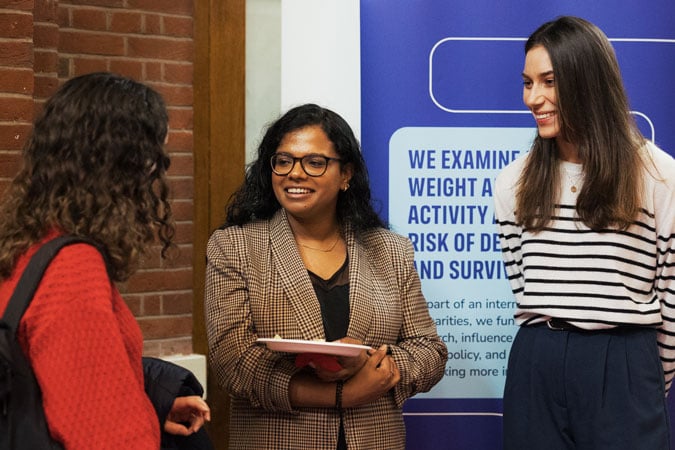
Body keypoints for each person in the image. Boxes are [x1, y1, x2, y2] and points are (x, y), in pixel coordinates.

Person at [204, 103, 447, 449]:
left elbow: (429, 352)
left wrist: (373, 365)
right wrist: (338, 394)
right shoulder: (235, 246)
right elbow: (232, 361)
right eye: (284, 160)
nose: (295, 173)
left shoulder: (390, 250)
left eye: (315, 162)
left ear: (345, 174)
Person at [0, 72, 211, 449]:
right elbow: (104, 436)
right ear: (121, 166)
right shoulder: (72, 267)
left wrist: (153, 403)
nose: (154, 177)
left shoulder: (25, 242)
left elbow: (56, 382)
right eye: (153, 160)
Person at [494, 16, 675, 450]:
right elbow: (521, 281)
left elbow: (671, 289)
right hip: (537, 361)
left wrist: (641, 378)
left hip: (624, 361)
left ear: (588, 81)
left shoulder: (658, 174)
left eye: (549, 81)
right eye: (527, 83)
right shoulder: (512, 181)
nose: (533, 98)